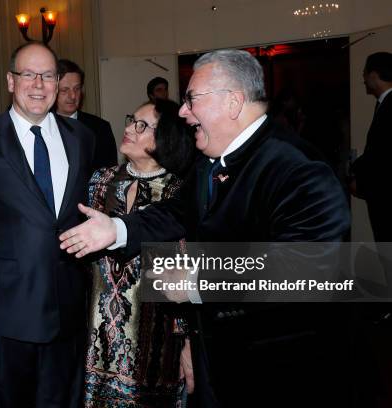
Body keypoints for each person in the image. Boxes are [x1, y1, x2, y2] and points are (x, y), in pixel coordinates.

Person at [60, 49, 350, 407]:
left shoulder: (298, 168)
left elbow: (309, 268)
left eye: (191, 99)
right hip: (218, 356)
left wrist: (199, 283)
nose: (182, 112)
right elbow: (179, 211)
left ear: (233, 102)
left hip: (279, 369)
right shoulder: (211, 160)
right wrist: (117, 229)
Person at [0, 41, 94, 408]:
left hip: (69, 310)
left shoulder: (82, 139)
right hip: (7, 314)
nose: (39, 84)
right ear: (10, 81)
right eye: (28, 74)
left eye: (48, 75)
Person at [83, 99, 194, 406]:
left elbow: (186, 271)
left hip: (157, 340)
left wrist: (187, 342)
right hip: (97, 336)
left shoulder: (178, 192)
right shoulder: (99, 181)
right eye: (132, 119)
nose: (129, 128)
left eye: (142, 125)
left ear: (166, 137)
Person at [351, 51, 392, 242]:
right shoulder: (384, 104)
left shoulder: (389, 106)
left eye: (365, 74)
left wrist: (354, 171)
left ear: (374, 75)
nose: (364, 80)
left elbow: (379, 152)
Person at [56, 58, 117, 172]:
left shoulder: (100, 128)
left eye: (77, 89)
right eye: (64, 90)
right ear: (52, 91)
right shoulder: (40, 126)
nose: (73, 96)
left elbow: (108, 175)